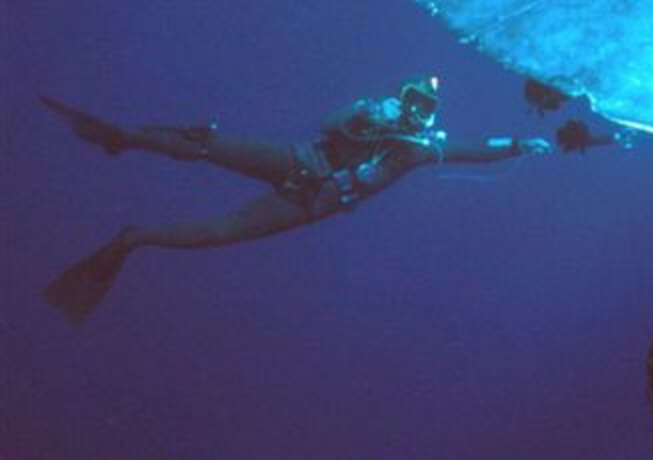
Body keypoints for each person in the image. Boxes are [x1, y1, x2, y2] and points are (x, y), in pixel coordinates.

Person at [41, 75, 601, 324]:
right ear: (398, 95)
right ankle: (125, 138)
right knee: (208, 143)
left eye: (422, 109)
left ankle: (132, 240)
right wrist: (366, 112)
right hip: (297, 161)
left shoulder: (415, 150)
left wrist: (519, 144)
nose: (413, 111)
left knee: (220, 231)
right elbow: (329, 124)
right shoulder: (368, 115)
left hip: (311, 202)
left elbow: (471, 151)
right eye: (410, 99)